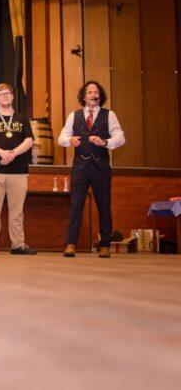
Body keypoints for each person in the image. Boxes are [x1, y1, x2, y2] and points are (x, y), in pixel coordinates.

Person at [58, 80, 125, 258]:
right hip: (80, 167)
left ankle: (105, 245)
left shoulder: (109, 115)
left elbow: (120, 137)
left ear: (100, 96)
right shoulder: (74, 116)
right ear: (84, 96)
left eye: (96, 92)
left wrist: (105, 142)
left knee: (104, 206)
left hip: (101, 168)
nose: (93, 95)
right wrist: (69, 140)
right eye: (89, 92)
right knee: (76, 205)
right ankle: (70, 244)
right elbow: (61, 137)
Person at [0, 83, 36, 255]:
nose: (5, 96)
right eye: (1, 94)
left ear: (12, 96)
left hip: (18, 171)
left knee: (17, 211)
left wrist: (13, 154)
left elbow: (29, 141)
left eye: (7, 93)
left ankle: (18, 245)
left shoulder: (23, 119)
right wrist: (2, 153)